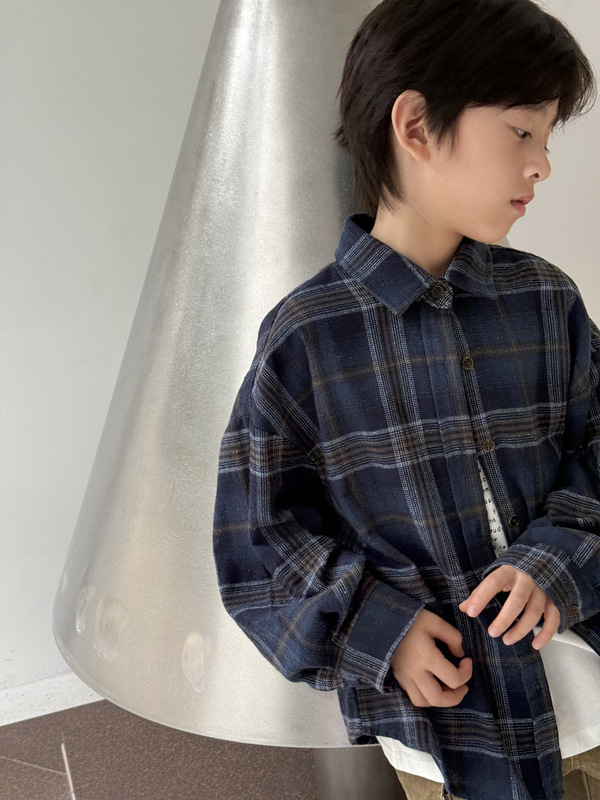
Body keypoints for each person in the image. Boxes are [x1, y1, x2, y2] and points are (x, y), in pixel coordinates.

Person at [212, 1, 600, 798]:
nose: (541, 165)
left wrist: (557, 558)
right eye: (521, 132)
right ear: (417, 126)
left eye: (547, 138)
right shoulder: (306, 337)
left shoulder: (546, 301)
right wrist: (373, 626)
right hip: (447, 742)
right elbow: (257, 539)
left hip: (586, 706)